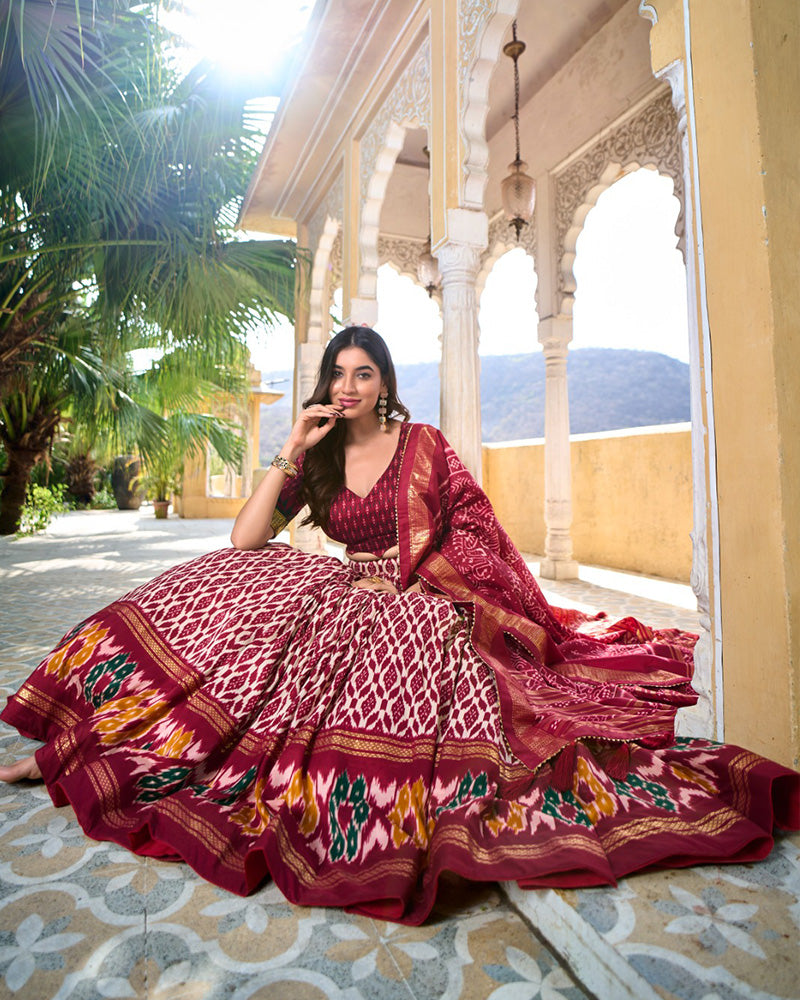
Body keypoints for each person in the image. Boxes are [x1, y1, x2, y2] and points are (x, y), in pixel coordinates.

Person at [1, 326, 798, 925]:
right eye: (337, 375)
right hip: (346, 589)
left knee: (393, 665)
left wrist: (425, 589)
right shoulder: (314, 457)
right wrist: (288, 448)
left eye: (364, 373)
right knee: (228, 597)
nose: (348, 386)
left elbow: (477, 533)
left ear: (383, 383)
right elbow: (244, 538)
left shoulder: (421, 444)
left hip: (427, 599)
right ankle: (101, 737)